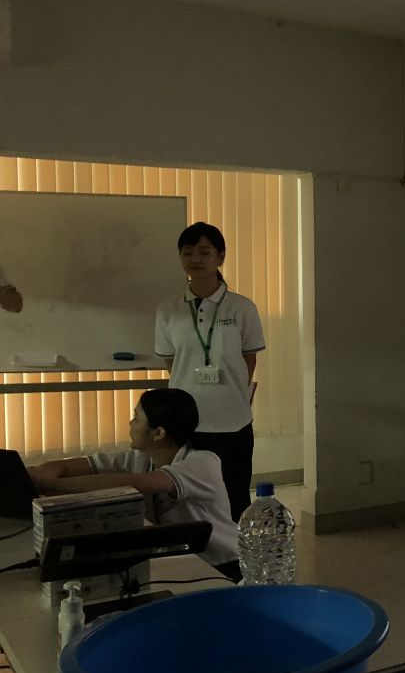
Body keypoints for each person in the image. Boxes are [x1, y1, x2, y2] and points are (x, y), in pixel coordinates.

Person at [26, 388, 241, 580]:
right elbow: (69, 466)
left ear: (159, 433)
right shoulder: (141, 457)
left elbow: (137, 483)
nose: (130, 423)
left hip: (221, 565)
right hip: (181, 561)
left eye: (136, 418)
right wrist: (38, 474)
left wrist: (47, 485)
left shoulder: (203, 462)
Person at [155, 222, 265, 522]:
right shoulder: (169, 310)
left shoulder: (242, 308)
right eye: (188, 252)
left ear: (221, 257)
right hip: (187, 424)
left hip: (233, 421)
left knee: (234, 497)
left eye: (204, 252)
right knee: (188, 501)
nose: (196, 259)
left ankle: (234, 550)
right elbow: (171, 362)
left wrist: (234, 394)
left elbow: (249, 358)